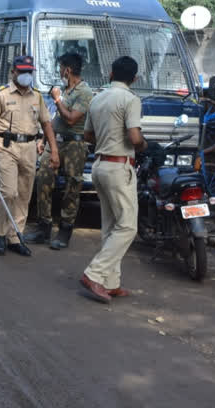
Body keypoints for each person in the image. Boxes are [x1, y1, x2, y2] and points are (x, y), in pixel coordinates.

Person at [80, 56, 147, 303]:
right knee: (128, 226)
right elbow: (135, 137)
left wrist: (107, 141)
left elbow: (88, 135)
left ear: (110, 74)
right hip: (120, 168)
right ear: (135, 78)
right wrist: (144, 145)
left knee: (111, 226)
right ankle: (94, 274)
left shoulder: (97, 98)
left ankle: (111, 282)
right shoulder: (130, 99)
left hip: (99, 166)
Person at [0, 56, 59, 257]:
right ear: (13, 72)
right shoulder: (1, 94)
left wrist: (53, 150)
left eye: (29, 72)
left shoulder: (36, 96)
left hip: (29, 148)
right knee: (8, 191)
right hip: (6, 147)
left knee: (24, 194)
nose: (26, 75)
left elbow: (46, 124)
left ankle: (14, 237)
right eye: (22, 71)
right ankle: (0, 233)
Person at [34, 53, 95, 249]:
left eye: (61, 68)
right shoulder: (64, 91)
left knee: (72, 186)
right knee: (43, 178)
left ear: (67, 70)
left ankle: (65, 229)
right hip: (55, 142)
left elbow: (70, 119)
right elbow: (54, 119)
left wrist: (58, 100)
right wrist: (43, 140)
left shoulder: (84, 92)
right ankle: (43, 227)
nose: (59, 71)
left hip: (75, 145)